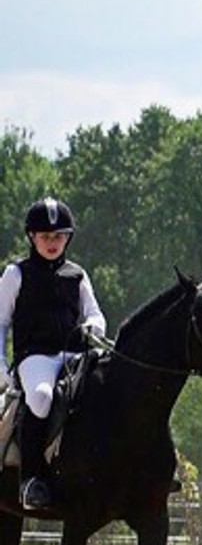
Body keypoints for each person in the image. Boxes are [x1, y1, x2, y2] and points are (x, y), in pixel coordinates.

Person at [1, 197, 108, 512]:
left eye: (59, 236)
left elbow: (96, 315)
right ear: (32, 237)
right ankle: (31, 479)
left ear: (68, 238)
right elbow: (1, 322)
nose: (52, 242)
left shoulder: (78, 275)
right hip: (37, 358)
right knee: (42, 398)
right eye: (46, 236)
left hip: (76, 355)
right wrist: (3, 366)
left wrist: (93, 328)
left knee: (106, 392)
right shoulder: (15, 274)